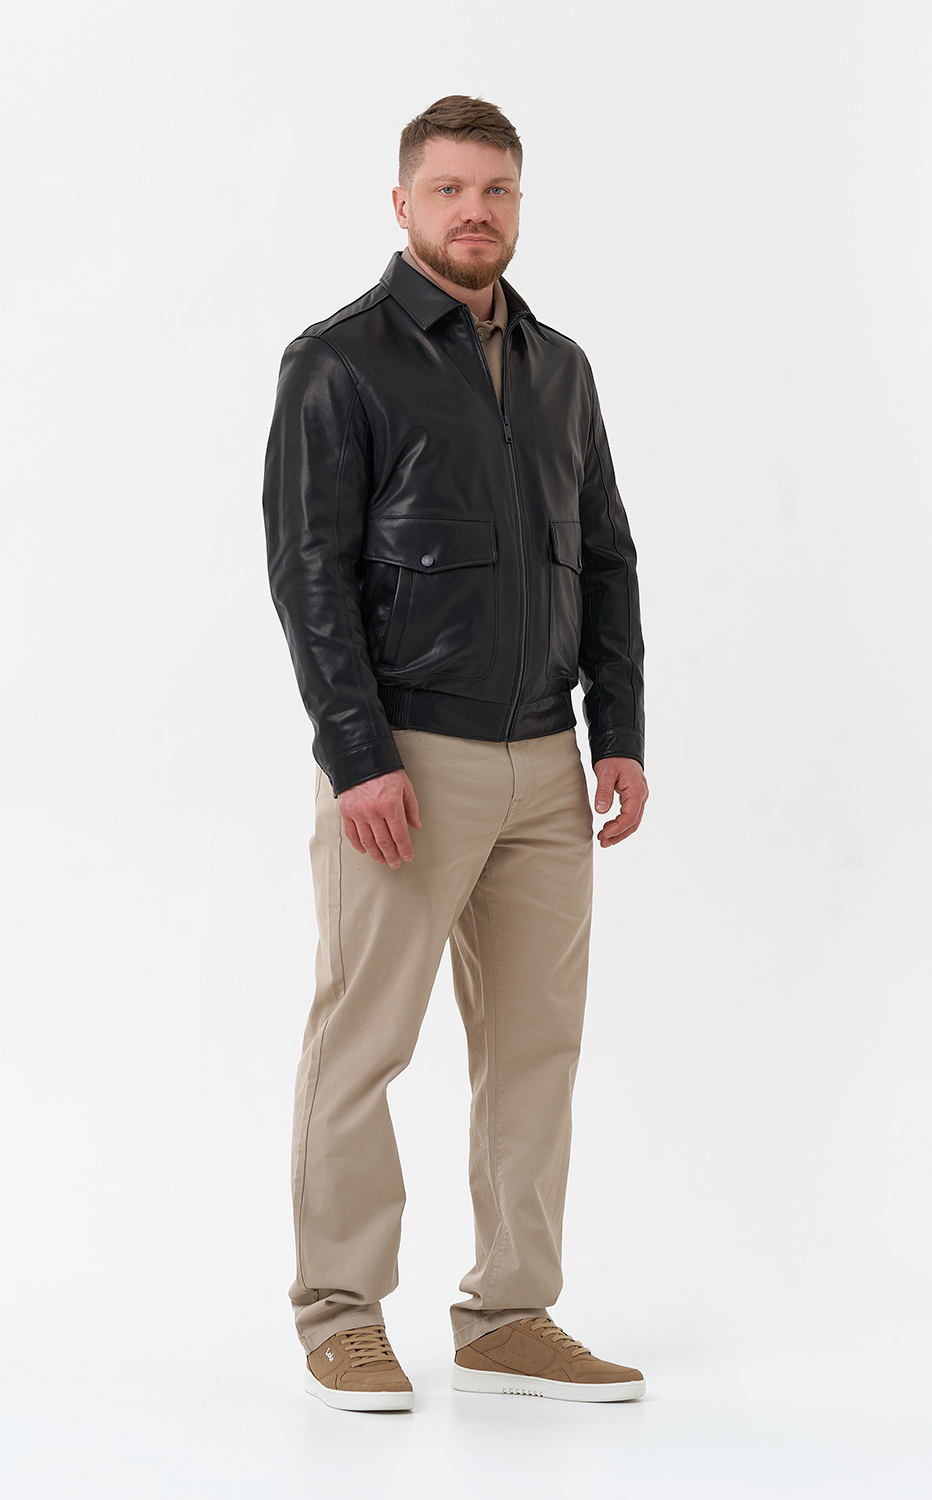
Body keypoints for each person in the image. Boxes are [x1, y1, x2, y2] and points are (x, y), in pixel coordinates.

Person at [262, 95, 648, 1412]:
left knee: (538, 1048)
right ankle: (339, 1311)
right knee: (364, 1039)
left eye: (496, 190)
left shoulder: (561, 369)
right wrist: (356, 752)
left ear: (518, 205)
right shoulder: (339, 363)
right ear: (403, 205)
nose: (474, 211)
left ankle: (509, 1314)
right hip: (407, 759)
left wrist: (619, 733)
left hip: (548, 761)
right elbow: (308, 574)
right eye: (448, 189)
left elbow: (606, 556)